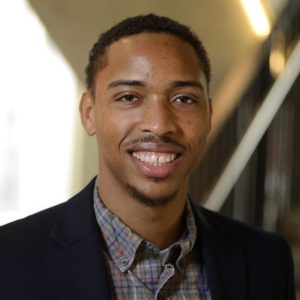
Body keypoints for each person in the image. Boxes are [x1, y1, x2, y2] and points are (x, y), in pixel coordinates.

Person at [0, 14, 295, 300]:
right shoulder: (9, 260)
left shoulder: (267, 261)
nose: (159, 124)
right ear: (89, 114)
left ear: (208, 116)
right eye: (129, 97)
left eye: (184, 99)